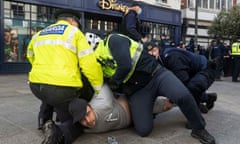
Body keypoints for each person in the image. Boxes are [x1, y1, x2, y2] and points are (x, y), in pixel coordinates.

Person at [94, 33, 216, 144]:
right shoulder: (97, 62)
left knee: (182, 95)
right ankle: (151, 109)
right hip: (138, 90)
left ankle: (199, 128)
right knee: (143, 130)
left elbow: (125, 66)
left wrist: (113, 83)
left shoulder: (113, 40)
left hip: (156, 75)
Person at [27, 9, 103, 144]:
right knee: (74, 121)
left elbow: (30, 56)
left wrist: (43, 72)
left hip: (36, 87)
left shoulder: (39, 34)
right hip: (62, 90)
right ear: (73, 21)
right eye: (78, 23)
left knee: (48, 94)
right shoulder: (75, 33)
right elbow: (89, 65)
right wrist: (98, 89)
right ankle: (58, 135)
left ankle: (44, 121)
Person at [70, 84, 174, 133]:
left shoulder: (102, 103)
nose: (88, 121)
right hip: (133, 123)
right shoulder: (84, 128)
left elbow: (102, 85)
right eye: (82, 119)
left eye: (88, 114)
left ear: (90, 107)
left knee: (167, 105)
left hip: (134, 105)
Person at [146, 42, 217, 114]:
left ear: (155, 50)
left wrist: (170, 101)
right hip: (192, 71)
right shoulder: (161, 59)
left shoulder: (171, 57)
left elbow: (183, 82)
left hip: (206, 69)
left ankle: (195, 111)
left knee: (192, 86)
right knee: (187, 88)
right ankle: (208, 98)